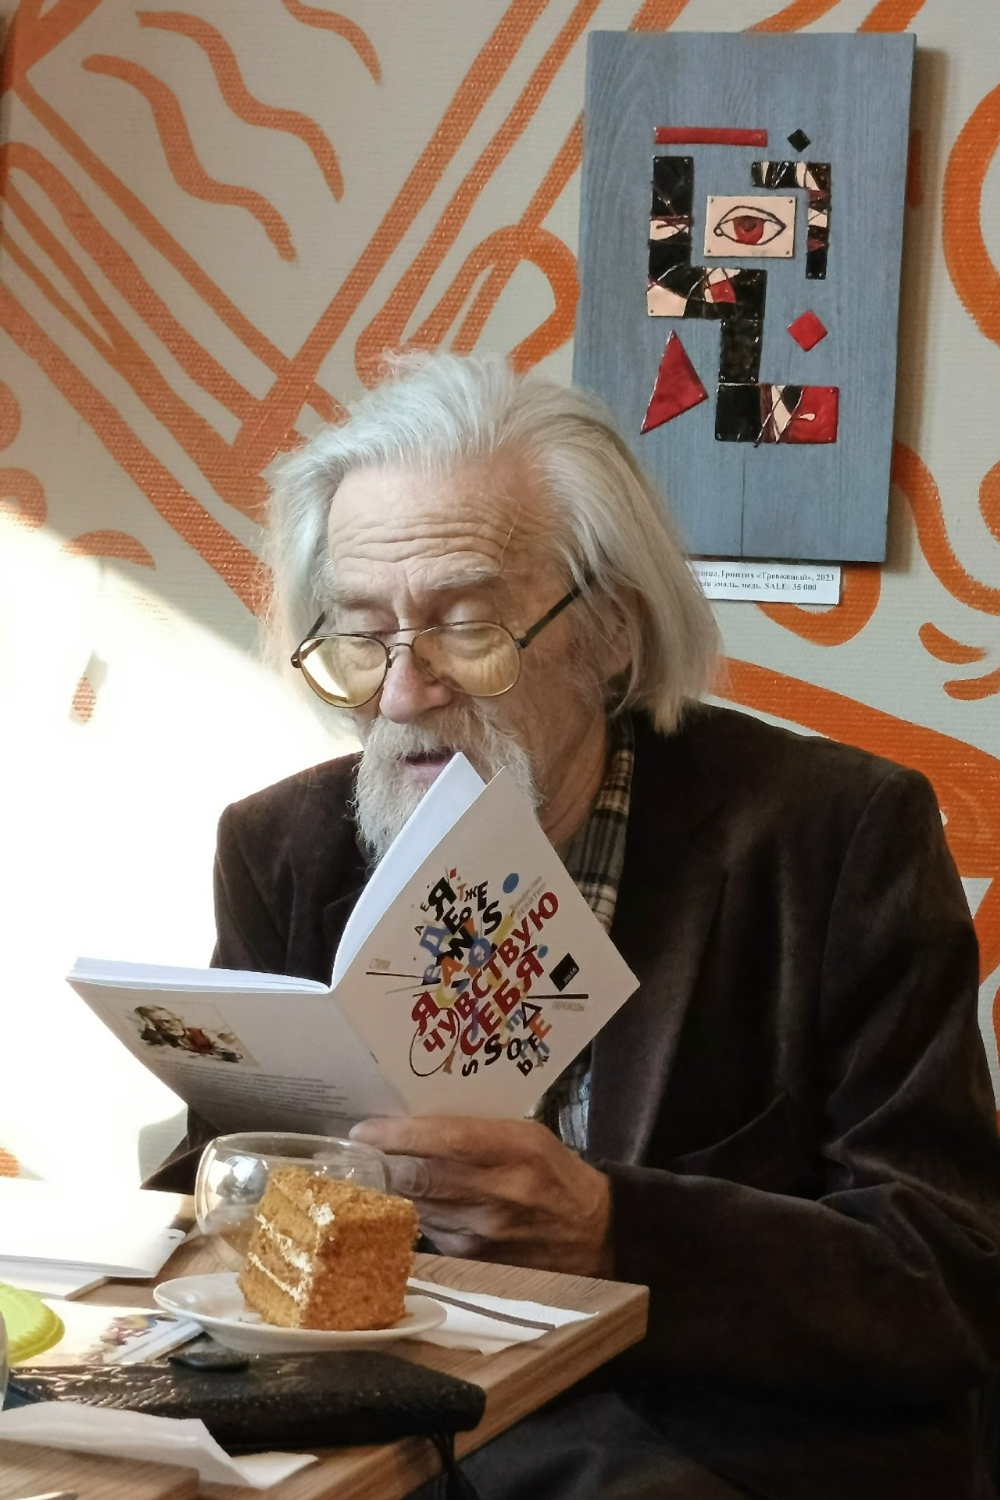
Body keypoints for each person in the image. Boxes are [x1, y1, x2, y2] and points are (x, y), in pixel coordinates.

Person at [148, 353, 1000, 1499]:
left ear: (610, 631)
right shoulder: (282, 849)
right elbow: (216, 1191)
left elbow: (949, 1276)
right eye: (359, 637)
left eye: (466, 628)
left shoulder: (834, 838)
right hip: (377, 1428)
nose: (402, 693)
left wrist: (615, 1230)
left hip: (707, 1450)